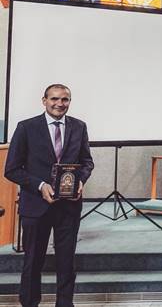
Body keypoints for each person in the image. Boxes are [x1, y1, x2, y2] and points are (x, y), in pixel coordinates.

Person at [4, 84, 94, 307]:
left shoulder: (79, 127)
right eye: (54, 99)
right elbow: (12, 169)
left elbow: (87, 162)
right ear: (44, 100)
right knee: (33, 260)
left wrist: (80, 180)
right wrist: (40, 185)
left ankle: (65, 304)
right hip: (36, 205)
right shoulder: (26, 127)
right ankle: (30, 303)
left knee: (66, 262)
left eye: (65, 99)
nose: (59, 104)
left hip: (69, 206)